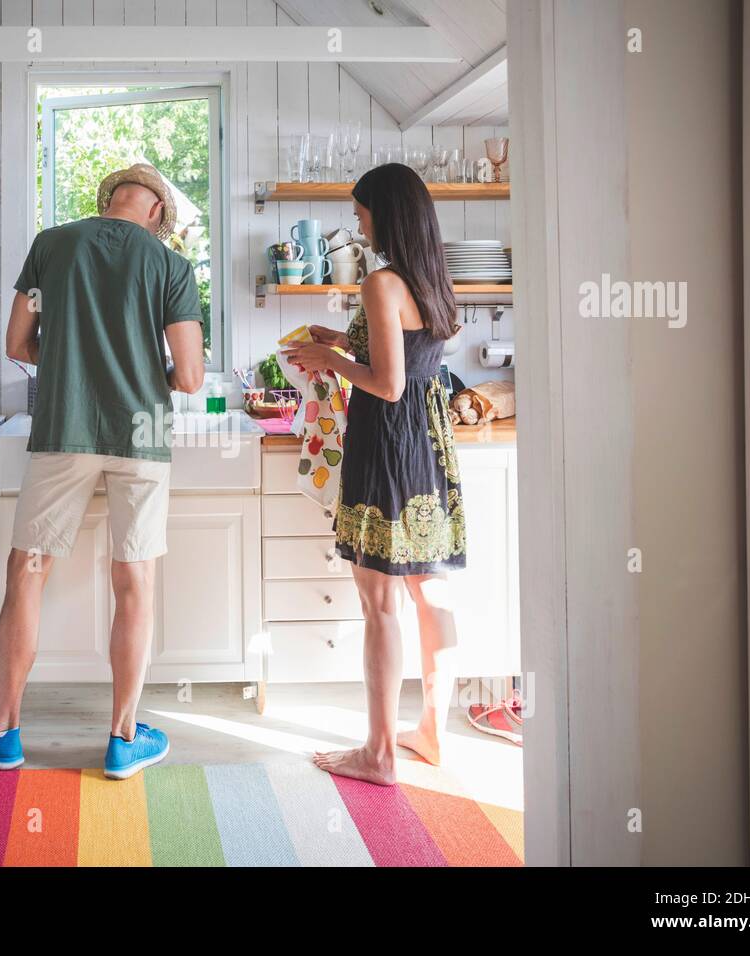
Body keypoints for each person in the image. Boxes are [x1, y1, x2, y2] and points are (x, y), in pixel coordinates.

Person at [0, 163, 205, 780]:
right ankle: (123, 738)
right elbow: (190, 378)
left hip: (65, 428)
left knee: (27, 573)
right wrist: (145, 375)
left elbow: (16, 343)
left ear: (109, 199)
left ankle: (1, 733)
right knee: (134, 580)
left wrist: (65, 358)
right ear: (157, 213)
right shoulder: (170, 266)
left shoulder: (52, 244)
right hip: (141, 436)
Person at [282, 162, 465, 785]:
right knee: (428, 593)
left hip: (386, 445)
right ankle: (433, 733)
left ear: (386, 214)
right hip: (429, 444)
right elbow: (410, 356)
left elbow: (387, 384)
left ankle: (381, 754)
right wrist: (347, 338)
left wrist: (330, 356)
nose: (358, 226)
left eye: (362, 215)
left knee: (378, 601)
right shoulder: (432, 280)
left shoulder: (382, 282)